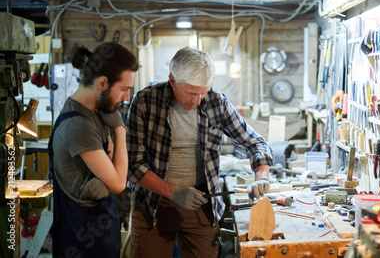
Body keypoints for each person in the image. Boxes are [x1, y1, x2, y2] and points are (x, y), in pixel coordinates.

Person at [127, 46, 274, 257]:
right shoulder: (145, 102)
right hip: (152, 205)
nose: (197, 101)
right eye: (191, 93)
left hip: (200, 203)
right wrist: (173, 192)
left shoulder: (216, 102)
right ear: (172, 81)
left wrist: (261, 176)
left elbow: (256, 143)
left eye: (203, 92)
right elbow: (133, 164)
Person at [49, 42, 139, 257]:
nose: (126, 97)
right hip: (81, 236)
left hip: (98, 228)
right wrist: (119, 130)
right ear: (103, 82)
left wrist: (108, 175)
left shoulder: (94, 113)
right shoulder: (79, 125)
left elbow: (111, 165)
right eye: (124, 89)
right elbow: (118, 183)